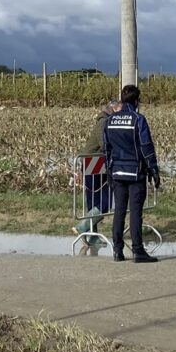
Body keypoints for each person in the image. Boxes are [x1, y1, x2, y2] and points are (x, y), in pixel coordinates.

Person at [102, 84, 161, 263]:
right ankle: (138, 251)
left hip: (117, 172)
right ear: (137, 101)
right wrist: (154, 170)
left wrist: (109, 171)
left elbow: (106, 149)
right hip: (136, 173)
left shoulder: (109, 121)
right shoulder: (138, 119)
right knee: (136, 212)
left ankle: (117, 251)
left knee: (119, 211)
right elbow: (146, 148)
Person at [74, 99, 121, 246]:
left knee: (95, 202)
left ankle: (91, 236)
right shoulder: (103, 123)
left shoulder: (106, 121)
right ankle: (82, 227)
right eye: (120, 110)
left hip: (96, 164)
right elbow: (105, 144)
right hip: (93, 164)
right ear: (112, 109)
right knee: (104, 202)